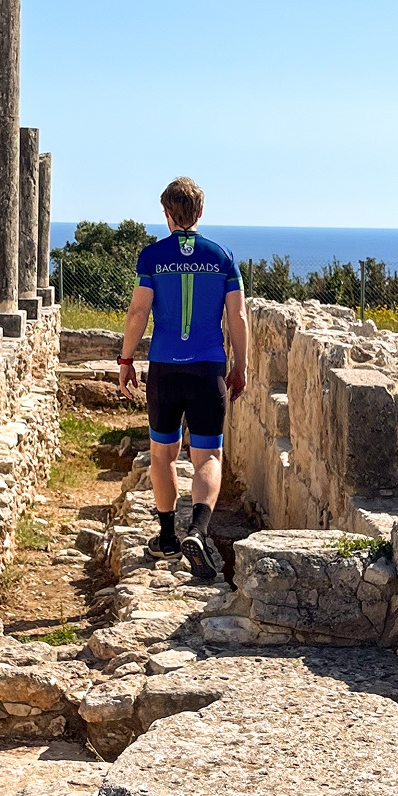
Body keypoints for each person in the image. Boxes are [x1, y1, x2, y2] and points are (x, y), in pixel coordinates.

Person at [117, 177, 248, 579]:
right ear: (200, 213)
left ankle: (168, 537)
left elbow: (139, 313)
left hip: (165, 370)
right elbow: (238, 316)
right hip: (209, 368)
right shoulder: (222, 256)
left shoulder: (152, 257)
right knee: (208, 455)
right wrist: (239, 366)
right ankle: (199, 531)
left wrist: (126, 359)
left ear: (167, 214)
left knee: (163, 454)